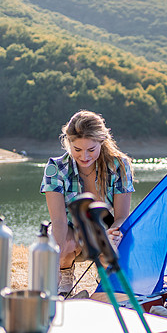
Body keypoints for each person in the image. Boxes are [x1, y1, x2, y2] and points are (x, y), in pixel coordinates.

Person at [40, 110, 134, 296]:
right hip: (71, 232)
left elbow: (122, 216)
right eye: (77, 150)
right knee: (61, 246)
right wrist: (55, 262)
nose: (84, 156)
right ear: (68, 144)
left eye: (91, 150)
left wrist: (113, 236)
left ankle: (105, 279)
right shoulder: (56, 168)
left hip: (105, 229)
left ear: (102, 141)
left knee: (112, 247)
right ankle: (64, 276)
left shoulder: (120, 166)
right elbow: (58, 221)